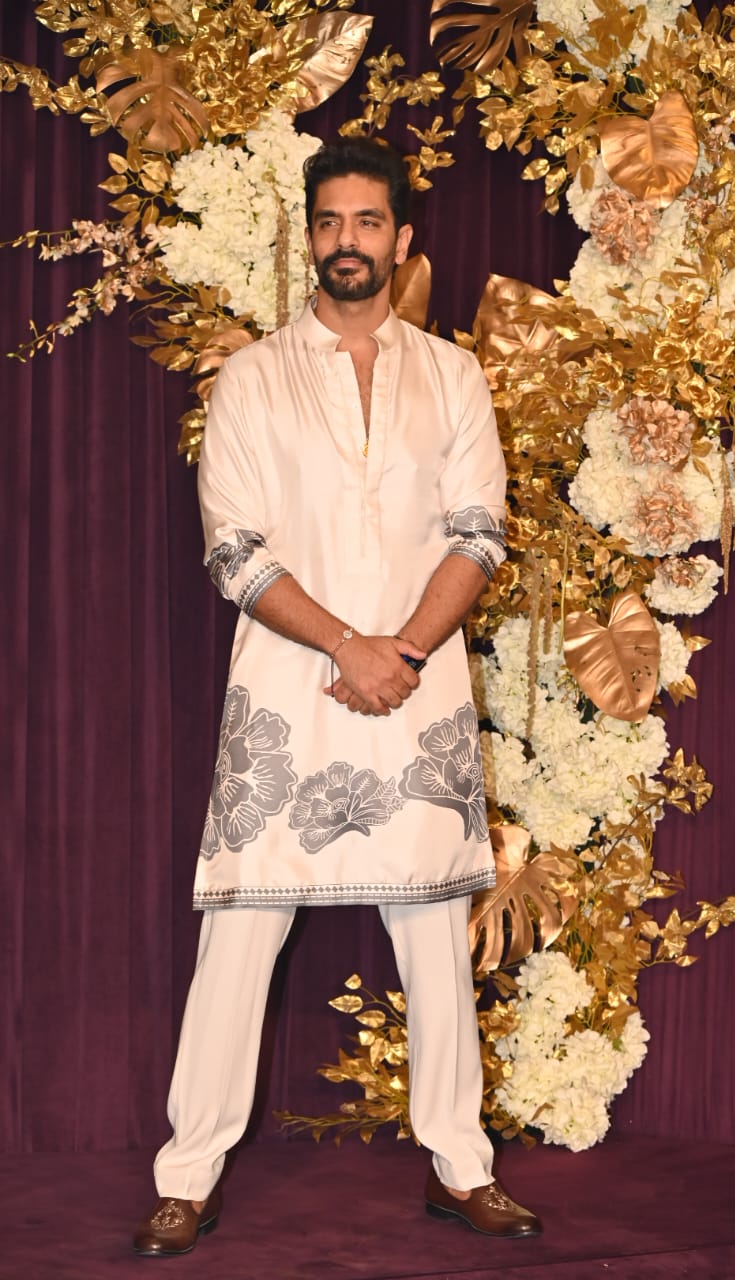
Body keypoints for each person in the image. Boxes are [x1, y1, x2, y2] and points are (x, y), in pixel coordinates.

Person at [133, 137, 542, 1257]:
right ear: (307, 236)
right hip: (287, 682)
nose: (346, 241)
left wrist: (399, 648)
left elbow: (478, 531)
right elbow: (234, 549)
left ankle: (461, 1166)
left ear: (400, 241)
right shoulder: (253, 376)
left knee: (430, 926)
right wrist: (347, 647)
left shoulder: (453, 376)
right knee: (242, 927)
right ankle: (189, 1171)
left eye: (367, 222)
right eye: (328, 222)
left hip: (416, 680)